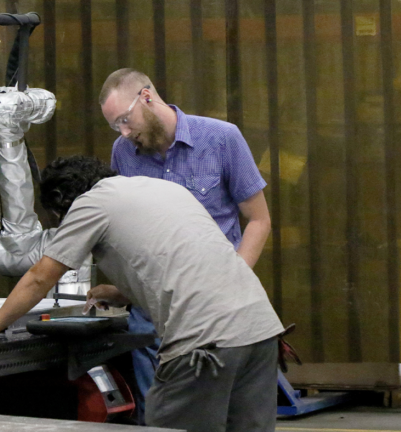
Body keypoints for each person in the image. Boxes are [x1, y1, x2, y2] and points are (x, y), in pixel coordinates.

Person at [0, 155, 284, 432]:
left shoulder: (91, 203)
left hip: (206, 343)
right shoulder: (159, 188)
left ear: (63, 203)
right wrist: (122, 291)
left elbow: (40, 276)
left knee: (168, 426)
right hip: (261, 332)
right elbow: (184, 264)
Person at [99, 68, 272, 422]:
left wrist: (231, 281)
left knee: (223, 417)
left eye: (125, 120)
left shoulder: (222, 139)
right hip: (152, 315)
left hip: (214, 318)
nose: (124, 132)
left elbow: (258, 220)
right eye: (116, 125)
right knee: (158, 416)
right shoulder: (124, 152)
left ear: (146, 97)